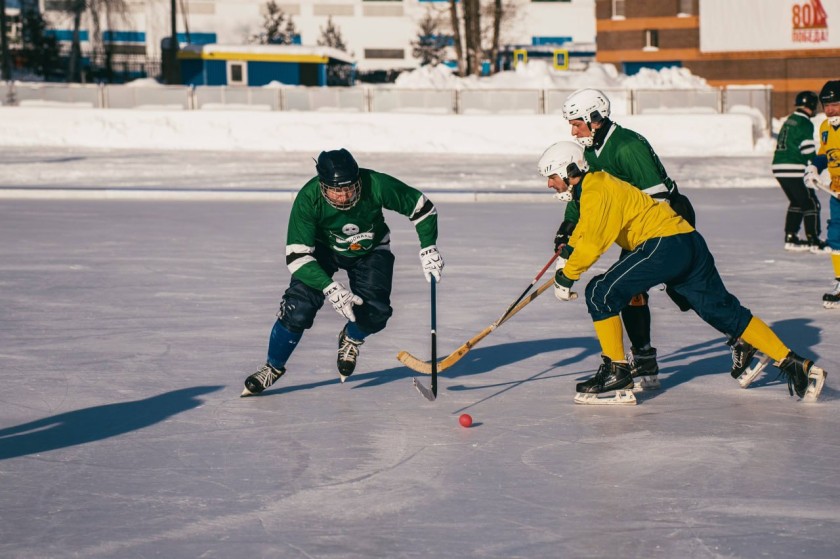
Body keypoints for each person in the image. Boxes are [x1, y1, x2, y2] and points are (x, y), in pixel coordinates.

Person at [537, 140, 827, 405]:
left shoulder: (596, 188)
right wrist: (567, 257)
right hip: (687, 240)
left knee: (600, 293)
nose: (550, 184)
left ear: (570, 169)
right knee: (723, 311)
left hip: (662, 244)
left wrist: (568, 275)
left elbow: (595, 238)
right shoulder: (595, 188)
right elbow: (586, 231)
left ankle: (617, 371)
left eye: (552, 176)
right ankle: (796, 364)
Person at [241, 148, 444, 396]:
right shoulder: (308, 198)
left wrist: (428, 248)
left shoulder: (376, 184)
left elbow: (421, 207)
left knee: (376, 313)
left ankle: (351, 338)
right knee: (298, 308)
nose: (344, 195)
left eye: (349, 187)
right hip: (321, 251)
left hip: (371, 249)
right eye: (336, 190)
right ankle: (272, 367)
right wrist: (331, 288)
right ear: (323, 185)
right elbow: (296, 257)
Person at [557, 88, 696, 392]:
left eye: (576, 123)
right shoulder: (592, 151)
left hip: (666, 223)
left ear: (595, 118)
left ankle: (741, 340)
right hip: (638, 230)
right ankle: (644, 358)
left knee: (688, 292)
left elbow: (658, 198)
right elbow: (586, 192)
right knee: (632, 291)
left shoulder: (627, 146)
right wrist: (569, 225)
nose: (572, 130)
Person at [772, 90, 829, 252]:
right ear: (811, 105)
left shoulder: (790, 120)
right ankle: (814, 240)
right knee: (810, 202)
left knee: (797, 202)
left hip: (779, 167)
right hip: (793, 168)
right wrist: (818, 166)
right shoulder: (805, 123)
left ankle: (790, 237)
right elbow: (807, 149)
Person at [804, 79, 840, 309]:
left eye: (835, 104)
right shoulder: (825, 127)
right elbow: (824, 153)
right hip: (837, 192)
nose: (830, 110)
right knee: (836, 235)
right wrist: (814, 167)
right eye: (826, 105)